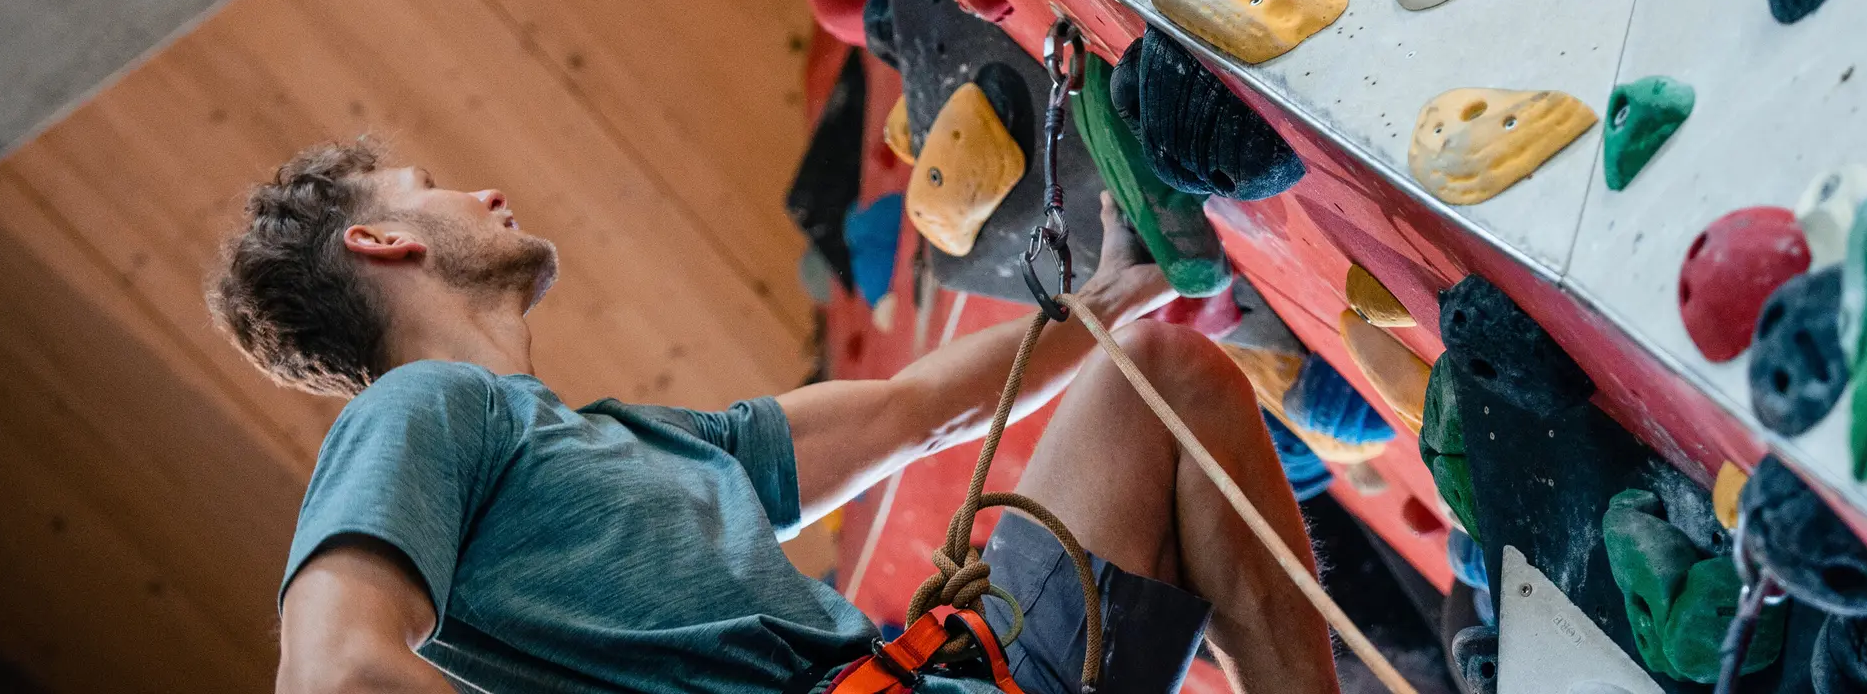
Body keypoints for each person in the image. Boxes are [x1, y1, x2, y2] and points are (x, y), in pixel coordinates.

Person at [209, 139, 1337, 694]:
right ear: (381, 242)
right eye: (428, 190)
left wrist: (1105, 295)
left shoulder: (621, 447)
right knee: (1162, 377)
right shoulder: (424, 408)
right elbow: (339, 675)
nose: (484, 196)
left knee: (1162, 376)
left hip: (934, 682)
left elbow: (914, 410)